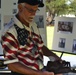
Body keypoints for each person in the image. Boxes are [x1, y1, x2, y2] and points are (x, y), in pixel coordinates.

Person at [1, 0, 63, 75]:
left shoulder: (33, 25)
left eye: (36, 10)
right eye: (30, 10)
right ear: (20, 7)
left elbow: (40, 46)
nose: (33, 14)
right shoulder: (10, 31)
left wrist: (53, 56)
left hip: (38, 70)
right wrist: (39, 73)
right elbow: (11, 65)